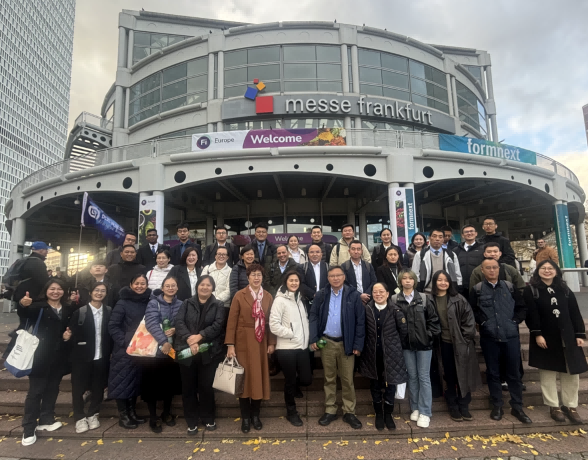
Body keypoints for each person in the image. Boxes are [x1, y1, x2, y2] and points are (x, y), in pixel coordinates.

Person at [469, 258, 532, 424]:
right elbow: (473, 310)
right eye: (488, 268)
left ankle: (517, 406)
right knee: (493, 372)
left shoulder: (509, 287)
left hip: (510, 336)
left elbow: (521, 307)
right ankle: (497, 404)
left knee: (514, 373)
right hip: (489, 337)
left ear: (499, 269)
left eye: (494, 267)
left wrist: (514, 321)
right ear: (482, 270)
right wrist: (483, 322)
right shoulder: (477, 289)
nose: (492, 270)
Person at [524, 260, 586, 424]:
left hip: (568, 336)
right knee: (548, 372)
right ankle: (554, 406)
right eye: (543, 268)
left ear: (556, 271)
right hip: (546, 337)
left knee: (571, 372)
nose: (547, 271)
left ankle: (570, 405)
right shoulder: (531, 290)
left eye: (550, 268)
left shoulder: (564, 289)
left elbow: (574, 312)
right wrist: (537, 334)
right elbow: (531, 314)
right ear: (538, 271)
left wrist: (579, 334)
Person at [18, 279, 73, 446]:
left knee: (52, 388)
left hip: (58, 356)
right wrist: (22, 305)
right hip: (39, 355)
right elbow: (24, 315)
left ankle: (46, 419)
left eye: (59, 289)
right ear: (46, 290)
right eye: (52, 289)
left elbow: (67, 327)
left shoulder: (67, 308)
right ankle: (28, 428)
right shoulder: (38, 306)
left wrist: (66, 338)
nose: (56, 292)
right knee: (36, 392)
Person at [309, 266, 365, 429]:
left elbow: (360, 321)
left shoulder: (353, 295)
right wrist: (314, 338)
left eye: (338, 275)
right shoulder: (321, 294)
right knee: (329, 378)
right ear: (327, 278)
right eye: (332, 276)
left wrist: (357, 344)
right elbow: (313, 316)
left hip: (346, 343)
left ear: (344, 277)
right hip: (326, 342)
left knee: (347, 379)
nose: (335, 278)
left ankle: (349, 411)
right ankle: (330, 409)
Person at [226, 263, 276, 434]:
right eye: (253, 274)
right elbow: (231, 321)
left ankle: (256, 416)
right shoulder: (239, 295)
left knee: (258, 379)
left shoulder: (268, 296)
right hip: (243, 342)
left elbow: (270, 322)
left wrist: (271, 342)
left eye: (259, 275)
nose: (256, 278)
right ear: (247, 277)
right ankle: (245, 418)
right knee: (244, 381)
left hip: (261, 342)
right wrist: (230, 345)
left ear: (262, 278)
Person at [175, 275, 227, 434]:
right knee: (188, 388)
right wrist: (190, 340)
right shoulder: (186, 303)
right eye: (202, 284)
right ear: (197, 286)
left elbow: (218, 325)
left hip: (209, 352)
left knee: (206, 387)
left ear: (213, 288)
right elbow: (179, 322)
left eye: (208, 285)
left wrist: (200, 336)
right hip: (187, 351)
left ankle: (208, 418)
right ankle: (191, 421)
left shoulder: (218, 305)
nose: (205, 287)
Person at [430, 270, 481, 422]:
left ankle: (464, 404)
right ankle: (452, 404)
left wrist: (464, 339)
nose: (443, 283)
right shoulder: (430, 300)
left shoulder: (458, 299)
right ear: (434, 282)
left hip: (460, 343)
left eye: (446, 280)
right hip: (442, 343)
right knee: (449, 374)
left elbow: (469, 321)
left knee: (464, 374)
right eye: (439, 280)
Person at [392, 269, 440, 428]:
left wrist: (429, 336)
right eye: (404, 278)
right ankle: (415, 407)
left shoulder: (424, 298)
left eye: (410, 278)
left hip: (424, 345)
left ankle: (425, 411)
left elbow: (433, 320)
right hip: (406, 345)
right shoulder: (395, 299)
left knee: (423, 376)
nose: (407, 281)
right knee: (412, 376)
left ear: (414, 281)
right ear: (400, 281)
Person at [359, 282, 407, 431]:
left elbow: (403, 332)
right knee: (375, 385)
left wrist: (394, 346)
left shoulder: (396, 310)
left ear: (387, 294)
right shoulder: (367, 310)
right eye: (375, 292)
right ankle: (378, 414)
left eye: (381, 291)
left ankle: (388, 414)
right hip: (372, 354)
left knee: (390, 385)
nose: (378, 294)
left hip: (391, 355)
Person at [65, 282, 112, 434]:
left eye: (103, 291)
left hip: (102, 356)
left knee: (98, 387)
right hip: (81, 357)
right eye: (96, 290)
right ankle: (79, 417)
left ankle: (93, 413)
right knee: (78, 388)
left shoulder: (109, 311)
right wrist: (67, 338)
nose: (99, 293)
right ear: (91, 292)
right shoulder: (81, 312)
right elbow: (71, 333)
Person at [108, 274, 151, 429]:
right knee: (122, 381)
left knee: (133, 382)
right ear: (131, 285)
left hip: (141, 349)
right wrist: (126, 341)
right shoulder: (122, 302)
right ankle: (123, 416)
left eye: (143, 283)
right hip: (124, 350)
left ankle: (132, 413)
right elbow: (113, 325)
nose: (140, 286)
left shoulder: (148, 302)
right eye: (137, 283)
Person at [269, 270, 312, 426]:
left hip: (302, 346)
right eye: (291, 280)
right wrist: (291, 334)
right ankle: (291, 412)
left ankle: (295, 388)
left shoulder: (300, 299)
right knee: (290, 381)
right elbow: (273, 325)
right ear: (285, 282)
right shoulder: (280, 300)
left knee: (306, 379)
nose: (294, 283)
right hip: (286, 348)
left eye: (296, 280)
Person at [142, 276, 183, 433]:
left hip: (172, 351)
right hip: (155, 352)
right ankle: (153, 417)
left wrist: (176, 329)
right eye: (167, 286)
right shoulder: (154, 303)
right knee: (152, 385)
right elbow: (151, 323)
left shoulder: (181, 304)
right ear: (162, 288)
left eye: (173, 285)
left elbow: (183, 322)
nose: (170, 288)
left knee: (169, 384)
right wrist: (163, 342)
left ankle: (166, 412)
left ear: (177, 288)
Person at [412, 228, 462, 294]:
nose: (437, 239)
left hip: (446, 292)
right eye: (434, 236)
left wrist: (457, 287)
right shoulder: (420, 254)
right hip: (426, 292)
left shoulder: (451, 255)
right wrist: (418, 289)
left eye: (440, 237)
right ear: (429, 238)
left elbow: (457, 273)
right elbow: (415, 273)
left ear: (443, 239)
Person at [12, 241, 50, 323]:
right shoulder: (38, 263)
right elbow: (44, 282)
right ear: (41, 250)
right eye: (46, 250)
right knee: (31, 323)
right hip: (32, 299)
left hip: (21, 297)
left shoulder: (25, 260)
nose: (47, 252)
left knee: (24, 323)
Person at [341, 240, 377, 305]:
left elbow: (374, 281)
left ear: (362, 251)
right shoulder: (344, 266)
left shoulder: (368, 265)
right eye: (353, 249)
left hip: (368, 299)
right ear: (349, 251)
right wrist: (359, 295)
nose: (356, 251)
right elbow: (345, 284)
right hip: (351, 300)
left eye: (358, 249)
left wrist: (367, 294)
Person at [454, 225, 485, 295]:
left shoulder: (483, 249)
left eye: (471, 231)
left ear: (476, 233)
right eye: (466, 232)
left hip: (479, 285)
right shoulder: (456, 250)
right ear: (462, 235)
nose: (469, 233)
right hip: (461, 287)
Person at [299, 244, 329, 308]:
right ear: (308, 254)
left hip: (325, 301)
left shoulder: (328, 267)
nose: (315, 254)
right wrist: (314, 295)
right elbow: (301, 284)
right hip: (308, 302)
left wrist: (322, 294)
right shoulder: (302, 267)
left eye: (317, 252)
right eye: (312, 252)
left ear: (321, 254)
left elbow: (330, 283)